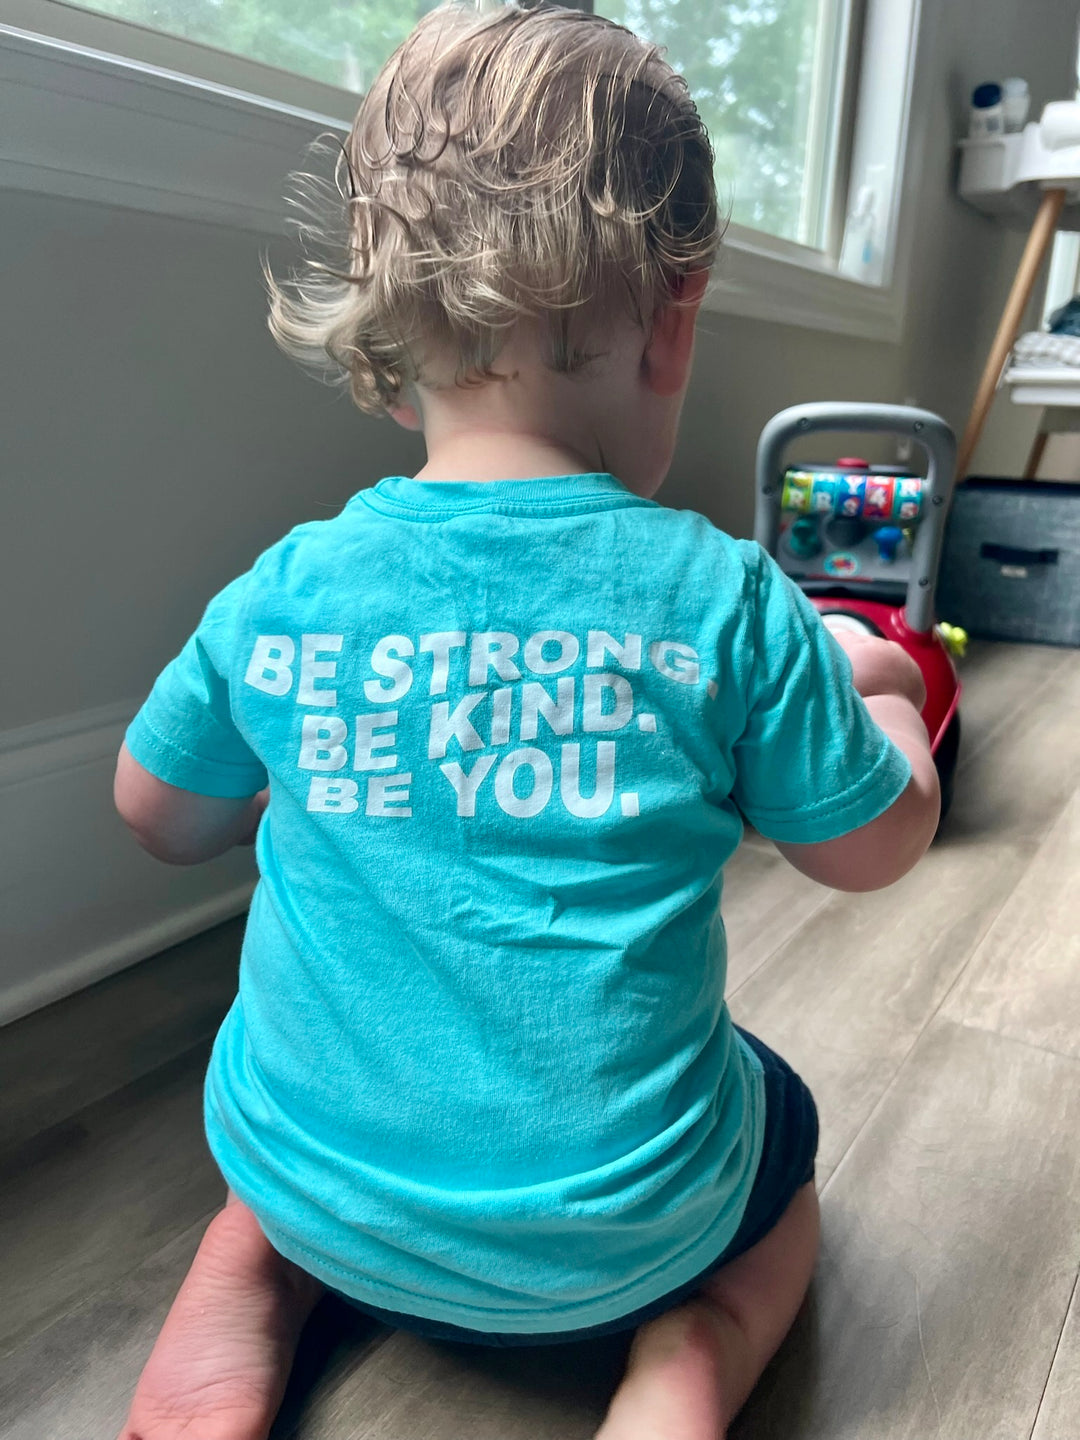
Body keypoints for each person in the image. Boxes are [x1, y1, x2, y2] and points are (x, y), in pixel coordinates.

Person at [112, 5, 940, 1437]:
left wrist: (325, 774)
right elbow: (873, 850)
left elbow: (156, 816)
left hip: (323, 1188)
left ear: (388, 331)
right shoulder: (727, 600)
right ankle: (693, 1357)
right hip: (622, 1244)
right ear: (674, 322)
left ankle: (252, 1272)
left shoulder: (286, 593)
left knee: (290, 1152)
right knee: (784, 1135)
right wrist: (895, 707)